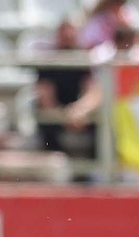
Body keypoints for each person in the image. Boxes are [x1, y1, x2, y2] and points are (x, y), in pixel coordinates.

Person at [32, 16, 97, 155]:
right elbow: (45, 97)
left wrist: (80, 110)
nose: (68, 36)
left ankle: (93, 171)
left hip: (76, 111)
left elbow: (92, 91)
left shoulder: (82, 61)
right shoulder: (48, 61)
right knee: (46, 122)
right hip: (55, 111)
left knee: (101, 123)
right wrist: (63, 117)